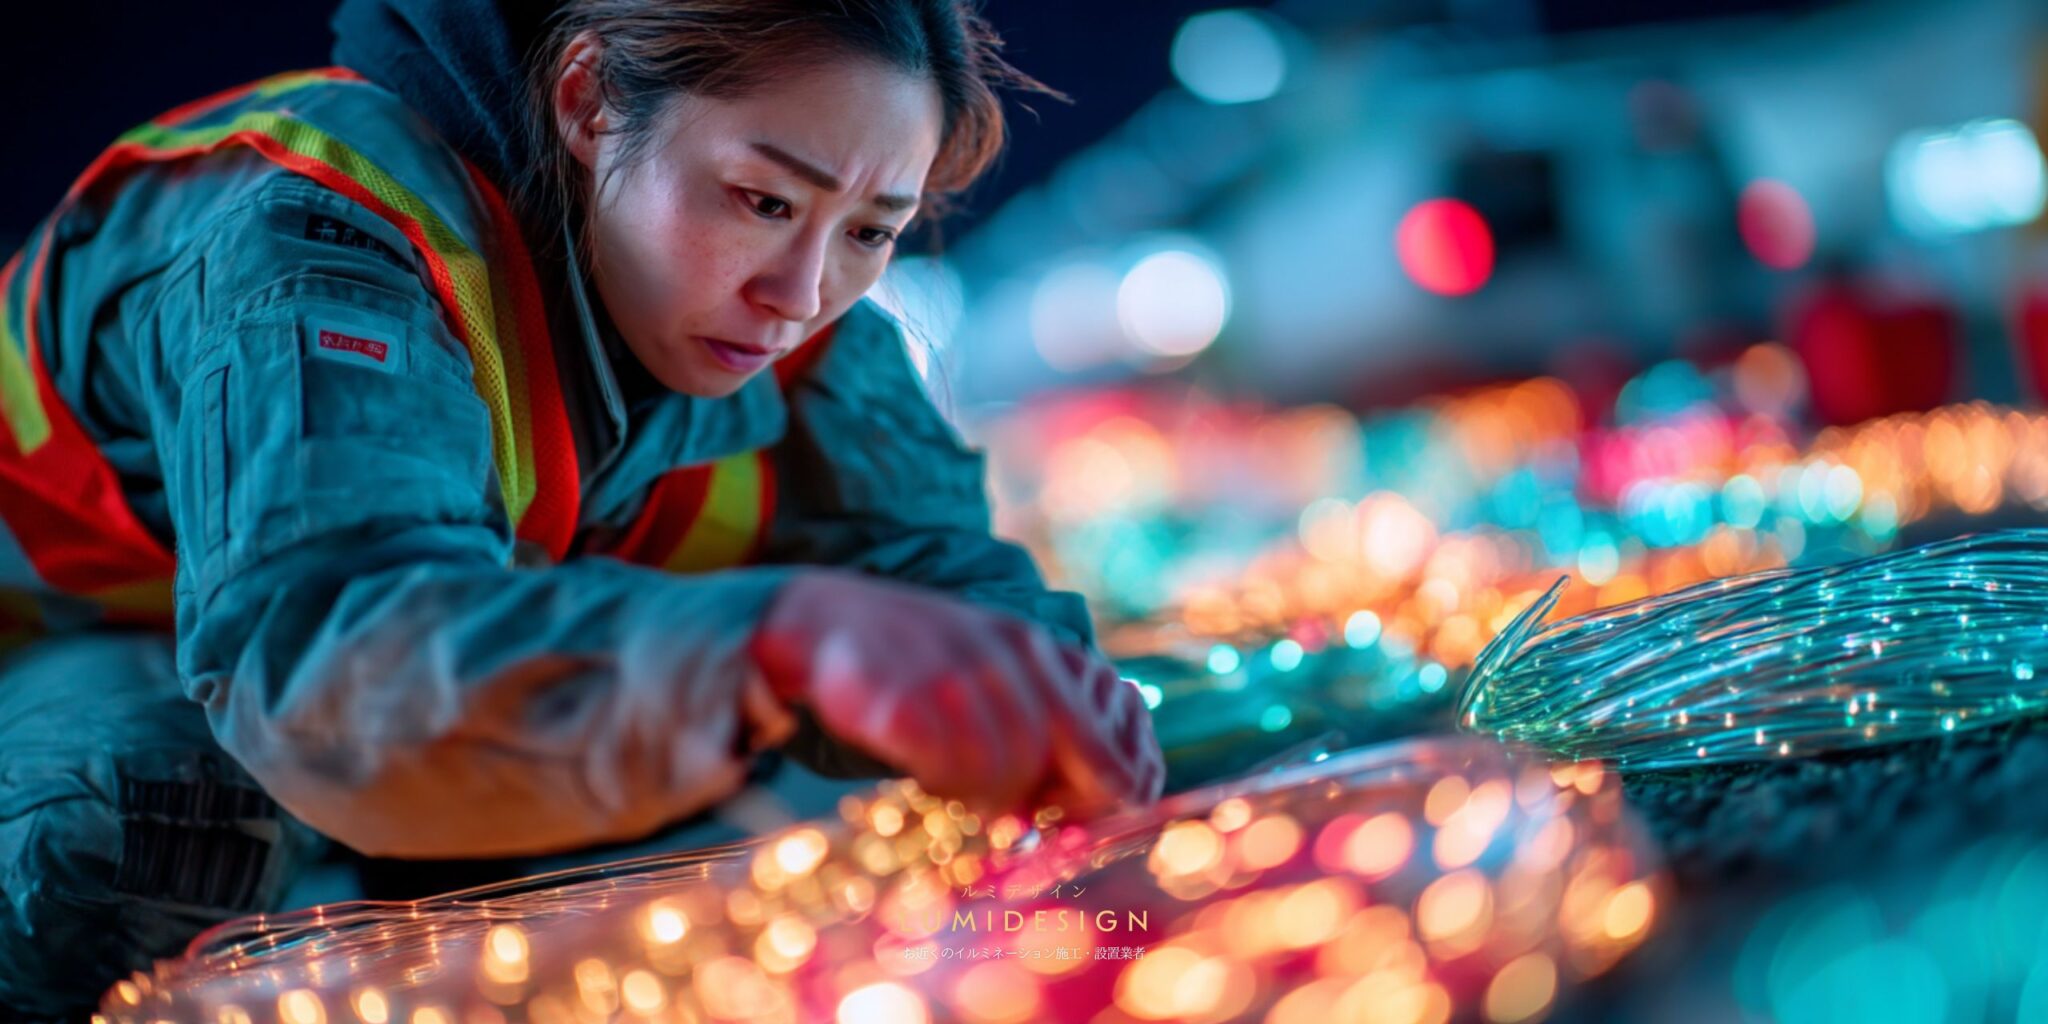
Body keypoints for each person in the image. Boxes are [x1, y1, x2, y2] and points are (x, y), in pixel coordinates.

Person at [0, 0, 1165, 1013]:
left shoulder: (797, 328)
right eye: (761, 199)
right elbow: (329, 659)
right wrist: (777, 641)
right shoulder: (313, 239)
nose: (802, 294)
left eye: (870, 231)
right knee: (145, 816)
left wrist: (1041, 701)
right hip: (65, 651)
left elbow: (932, 575)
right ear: (590, 97)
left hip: (316, 673)